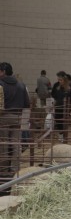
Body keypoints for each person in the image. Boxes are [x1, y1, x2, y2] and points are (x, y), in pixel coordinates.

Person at [0, 62, 32, 190]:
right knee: (15, 143)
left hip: (3, 116)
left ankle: (3, 170)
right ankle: (14, 169)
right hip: (18, 116)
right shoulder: (21, 85)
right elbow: (27, 103)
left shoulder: (1, 84)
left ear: (3, 71)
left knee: (3, 143)